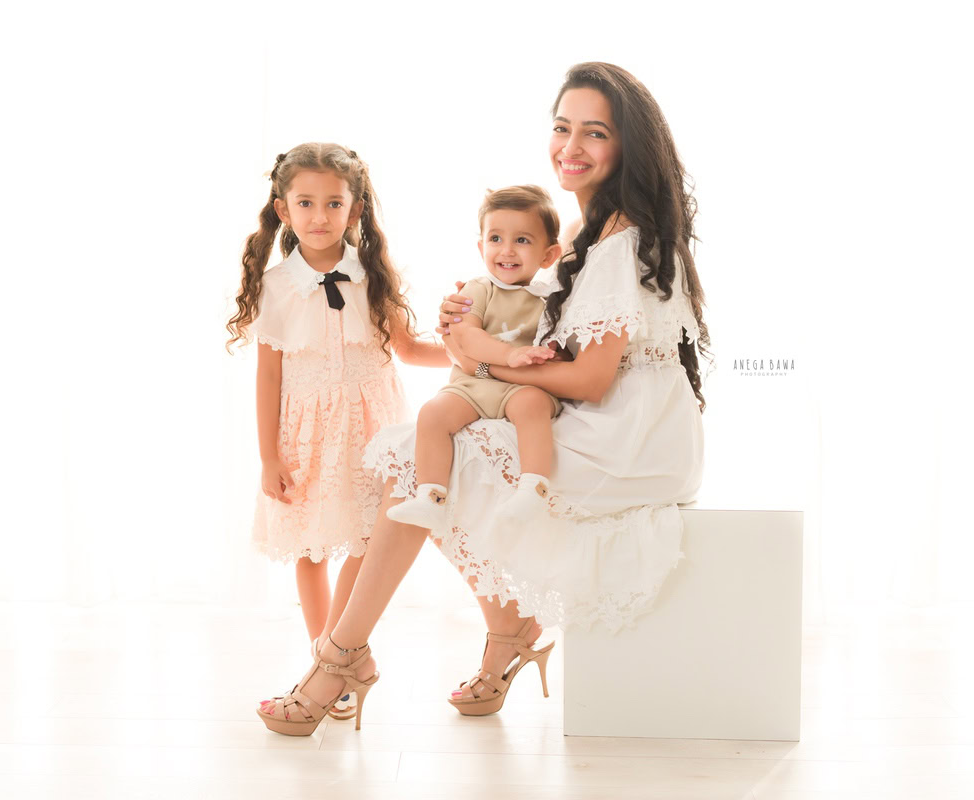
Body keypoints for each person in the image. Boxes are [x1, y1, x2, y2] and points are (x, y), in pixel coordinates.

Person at [255, 62, 712, 735]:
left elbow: (589, 379)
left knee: (419, 461)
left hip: (629, 435)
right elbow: (539, 336)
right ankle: (499, 638)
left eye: (594, 133)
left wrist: (485, 361)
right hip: (609, 419)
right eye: (562, 128)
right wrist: (471, 334)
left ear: (627, 146)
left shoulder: (621, 240)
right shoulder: (596, 232)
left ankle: (341, 656)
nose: (571, 147)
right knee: (426, 467)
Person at [226, 143, 448, 732]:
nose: (319, 216)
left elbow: (407, 348)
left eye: (333, 203)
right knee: (310, 547)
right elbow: (268, 373)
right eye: (305, 203)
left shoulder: (372, 275)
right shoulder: (276, 286)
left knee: (368, 541)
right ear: (283, 210)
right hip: (306, 431)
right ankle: (329, 662)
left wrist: (474, 351)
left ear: (354, 210)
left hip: (373, 424)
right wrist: (268, 454)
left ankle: (338, 657)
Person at [386, 185, 564, 533]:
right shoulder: (477, 289)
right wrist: (511, 354)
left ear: (548, 255)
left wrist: (551, 352)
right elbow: (467, 336)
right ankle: (432, 495)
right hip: (474, 383)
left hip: (522, 386)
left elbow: (561, 340)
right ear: (482, 246)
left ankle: (533, 488)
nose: (507, 250)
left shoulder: (550, 298)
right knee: (433, 414)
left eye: (523, 241)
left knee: (533, 407)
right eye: (495, 239)